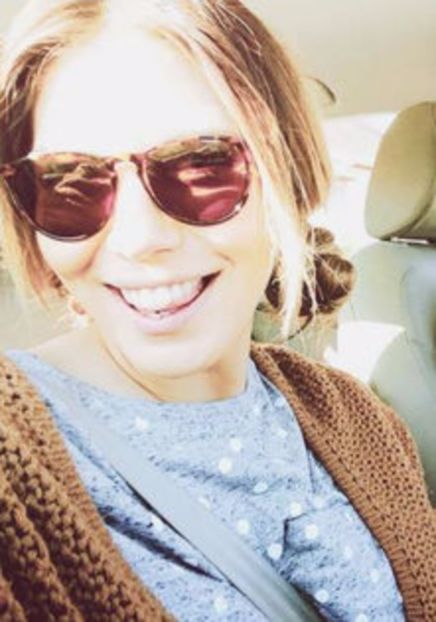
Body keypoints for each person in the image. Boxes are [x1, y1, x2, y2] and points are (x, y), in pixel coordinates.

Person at [0, 1, 434, 620]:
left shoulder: (357, 416)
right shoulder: (14, 451)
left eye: (201, 166)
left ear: (288, 175)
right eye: (69, 183)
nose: (139, 240)